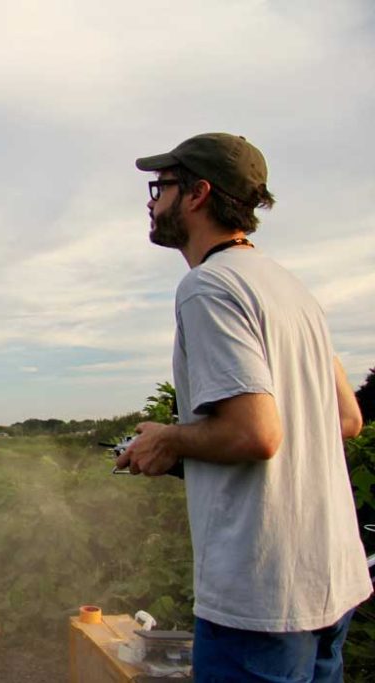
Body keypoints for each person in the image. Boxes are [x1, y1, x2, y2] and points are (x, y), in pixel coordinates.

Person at [118, 132, 371, 682]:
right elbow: (347, 420)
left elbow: (255, 434)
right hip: (332, 577)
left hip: (262, 594)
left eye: (161, 187)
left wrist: (169, 438)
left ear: (197, 193)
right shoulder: (290, 289)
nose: (152, 200)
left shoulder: (209, 286)